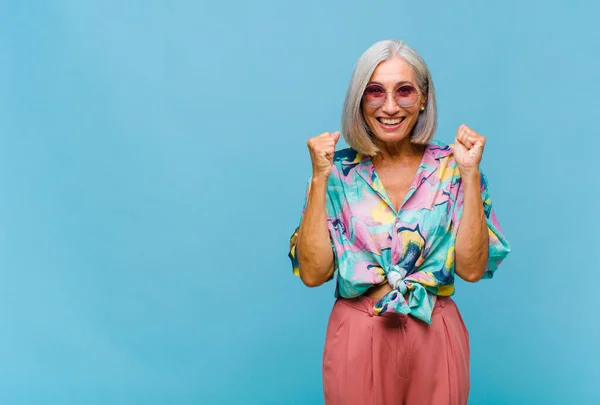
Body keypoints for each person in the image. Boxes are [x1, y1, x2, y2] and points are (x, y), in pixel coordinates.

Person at [287, 39, 511, 405]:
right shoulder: (335, 172)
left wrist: (470, 175)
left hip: (435, 330)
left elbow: (472, 270)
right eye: (375, 92)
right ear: (360, 100)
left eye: (404, 91)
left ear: (423, 98)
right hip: (358, 332)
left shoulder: (453, 166)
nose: (390, 106)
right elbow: (313, 275)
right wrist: (318, 179)